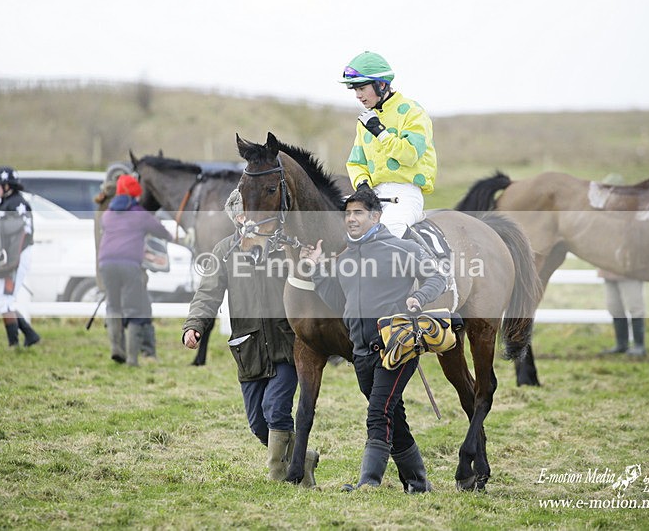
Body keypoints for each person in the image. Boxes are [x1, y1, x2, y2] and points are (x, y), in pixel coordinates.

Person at [300, 188, 445, 493]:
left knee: (378, 413)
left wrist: (419, 297)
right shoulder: (346, 258)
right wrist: (315, 270)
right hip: (361, 352)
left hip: (397, 347)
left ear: (376, 216)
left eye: (358, 213)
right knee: (392, 414)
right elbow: (339, 302)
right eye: (348, 213)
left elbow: (438, 277)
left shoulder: (402, 249)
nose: (351, 219)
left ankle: (369, 483)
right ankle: (418, 484)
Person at [182, 195, 319, 487]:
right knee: (259, 424)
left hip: (285, 345)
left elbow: (308, 283)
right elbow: (207, 295)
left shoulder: (284, 247)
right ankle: (303, 458)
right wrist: (194, 326)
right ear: (236, 218)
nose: (251, 219)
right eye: (245, 214)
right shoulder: (224, 251)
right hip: (249, 349)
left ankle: (280, 478)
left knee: (275, 409)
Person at [340, 51, 438, 238]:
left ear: (381, 84)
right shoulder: (365, 122)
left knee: (386, 232)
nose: (358, 96)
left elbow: (409, 155)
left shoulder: (412, 111)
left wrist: (381, 133)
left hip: (405, 194)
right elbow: (355, 163)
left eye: (362, 88)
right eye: (355, 90)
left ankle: (428, 265)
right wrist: (363, 187)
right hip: (373, 195)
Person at [98, 174, 172, 366]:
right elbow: (161, 231)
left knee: (113, 306)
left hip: (106, 263)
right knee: (134, 310)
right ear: (135, 194)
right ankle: (132, 359)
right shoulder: (139, 214)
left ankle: (116, 348)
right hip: (130, 265)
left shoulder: (107, 214)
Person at [0, 166, 42, 348]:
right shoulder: (5, 203)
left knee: (4, 300)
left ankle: (14, 344)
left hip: (16, 256)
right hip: (7, 257)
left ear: (7, 185)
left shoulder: (17, 204)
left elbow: (22, 233)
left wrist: (10, 261)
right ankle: (29, 335)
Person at [598, 269, 646, 356]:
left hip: (630, 272)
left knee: (635, 308)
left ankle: (639, 345)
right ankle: (621, 344)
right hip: (608, 271)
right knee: (615, 309)